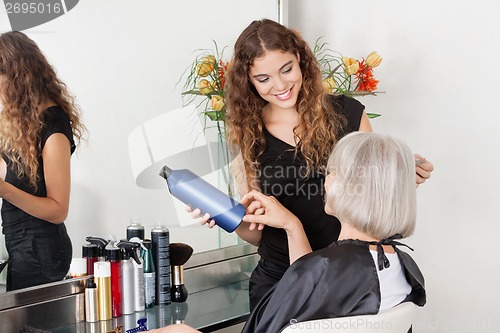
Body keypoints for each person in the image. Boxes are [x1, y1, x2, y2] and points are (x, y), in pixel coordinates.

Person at [193, 18, 434, 310]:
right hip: (281, 280)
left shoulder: (348, 114)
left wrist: (397, 176)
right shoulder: (248, 133)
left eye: (287, 69)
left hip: (349, 273)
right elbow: (257, 235)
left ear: (300, 60)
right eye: (264, 79)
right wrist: (226, 216)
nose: (280, 85)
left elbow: (371, 203)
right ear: (248, 81)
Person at [151, 132, 426, 333]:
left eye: (331, 172)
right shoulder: (405, 268)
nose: (326, 180)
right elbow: (313, 300)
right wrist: (291, 225)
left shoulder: (320, 268)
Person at [0, 31, 85, 291]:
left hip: (42, 255)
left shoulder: (53, 124)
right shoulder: (18, 125)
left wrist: (4, 190)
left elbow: (58, 210)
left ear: (16, 76)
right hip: (20, 249)